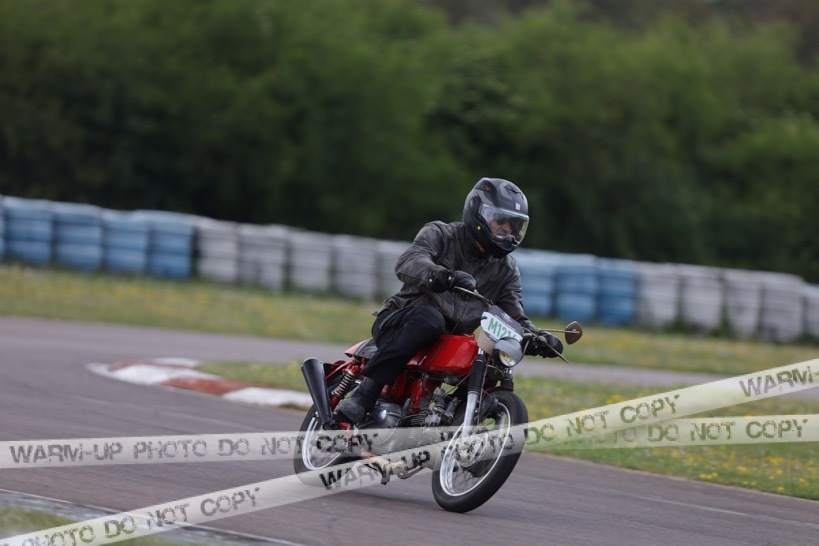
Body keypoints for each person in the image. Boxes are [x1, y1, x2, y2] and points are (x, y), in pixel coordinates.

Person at [334, 177, 564, 425]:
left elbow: (514, 315)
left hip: (447, 340)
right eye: (501, 221)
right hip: (399, 321)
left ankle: (448, 419)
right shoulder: (441, 234)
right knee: (430, 318)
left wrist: (537, 338)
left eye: (514, 225)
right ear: (478, 213)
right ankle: (364, 395)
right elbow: (409, 261)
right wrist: (443, 276)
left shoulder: (506, 270)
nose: (507, 230)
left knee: (486, 352)